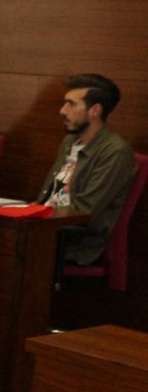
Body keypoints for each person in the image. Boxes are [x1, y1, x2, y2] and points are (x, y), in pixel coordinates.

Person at [36, 74, 136, 266]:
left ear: (95, 110)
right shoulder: (70, 141)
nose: (62, 111)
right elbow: (49, 197)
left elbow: (84, 212)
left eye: (71, 104)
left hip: (72, 241)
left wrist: (36, 221)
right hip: (45, 229)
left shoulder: (114, 152)